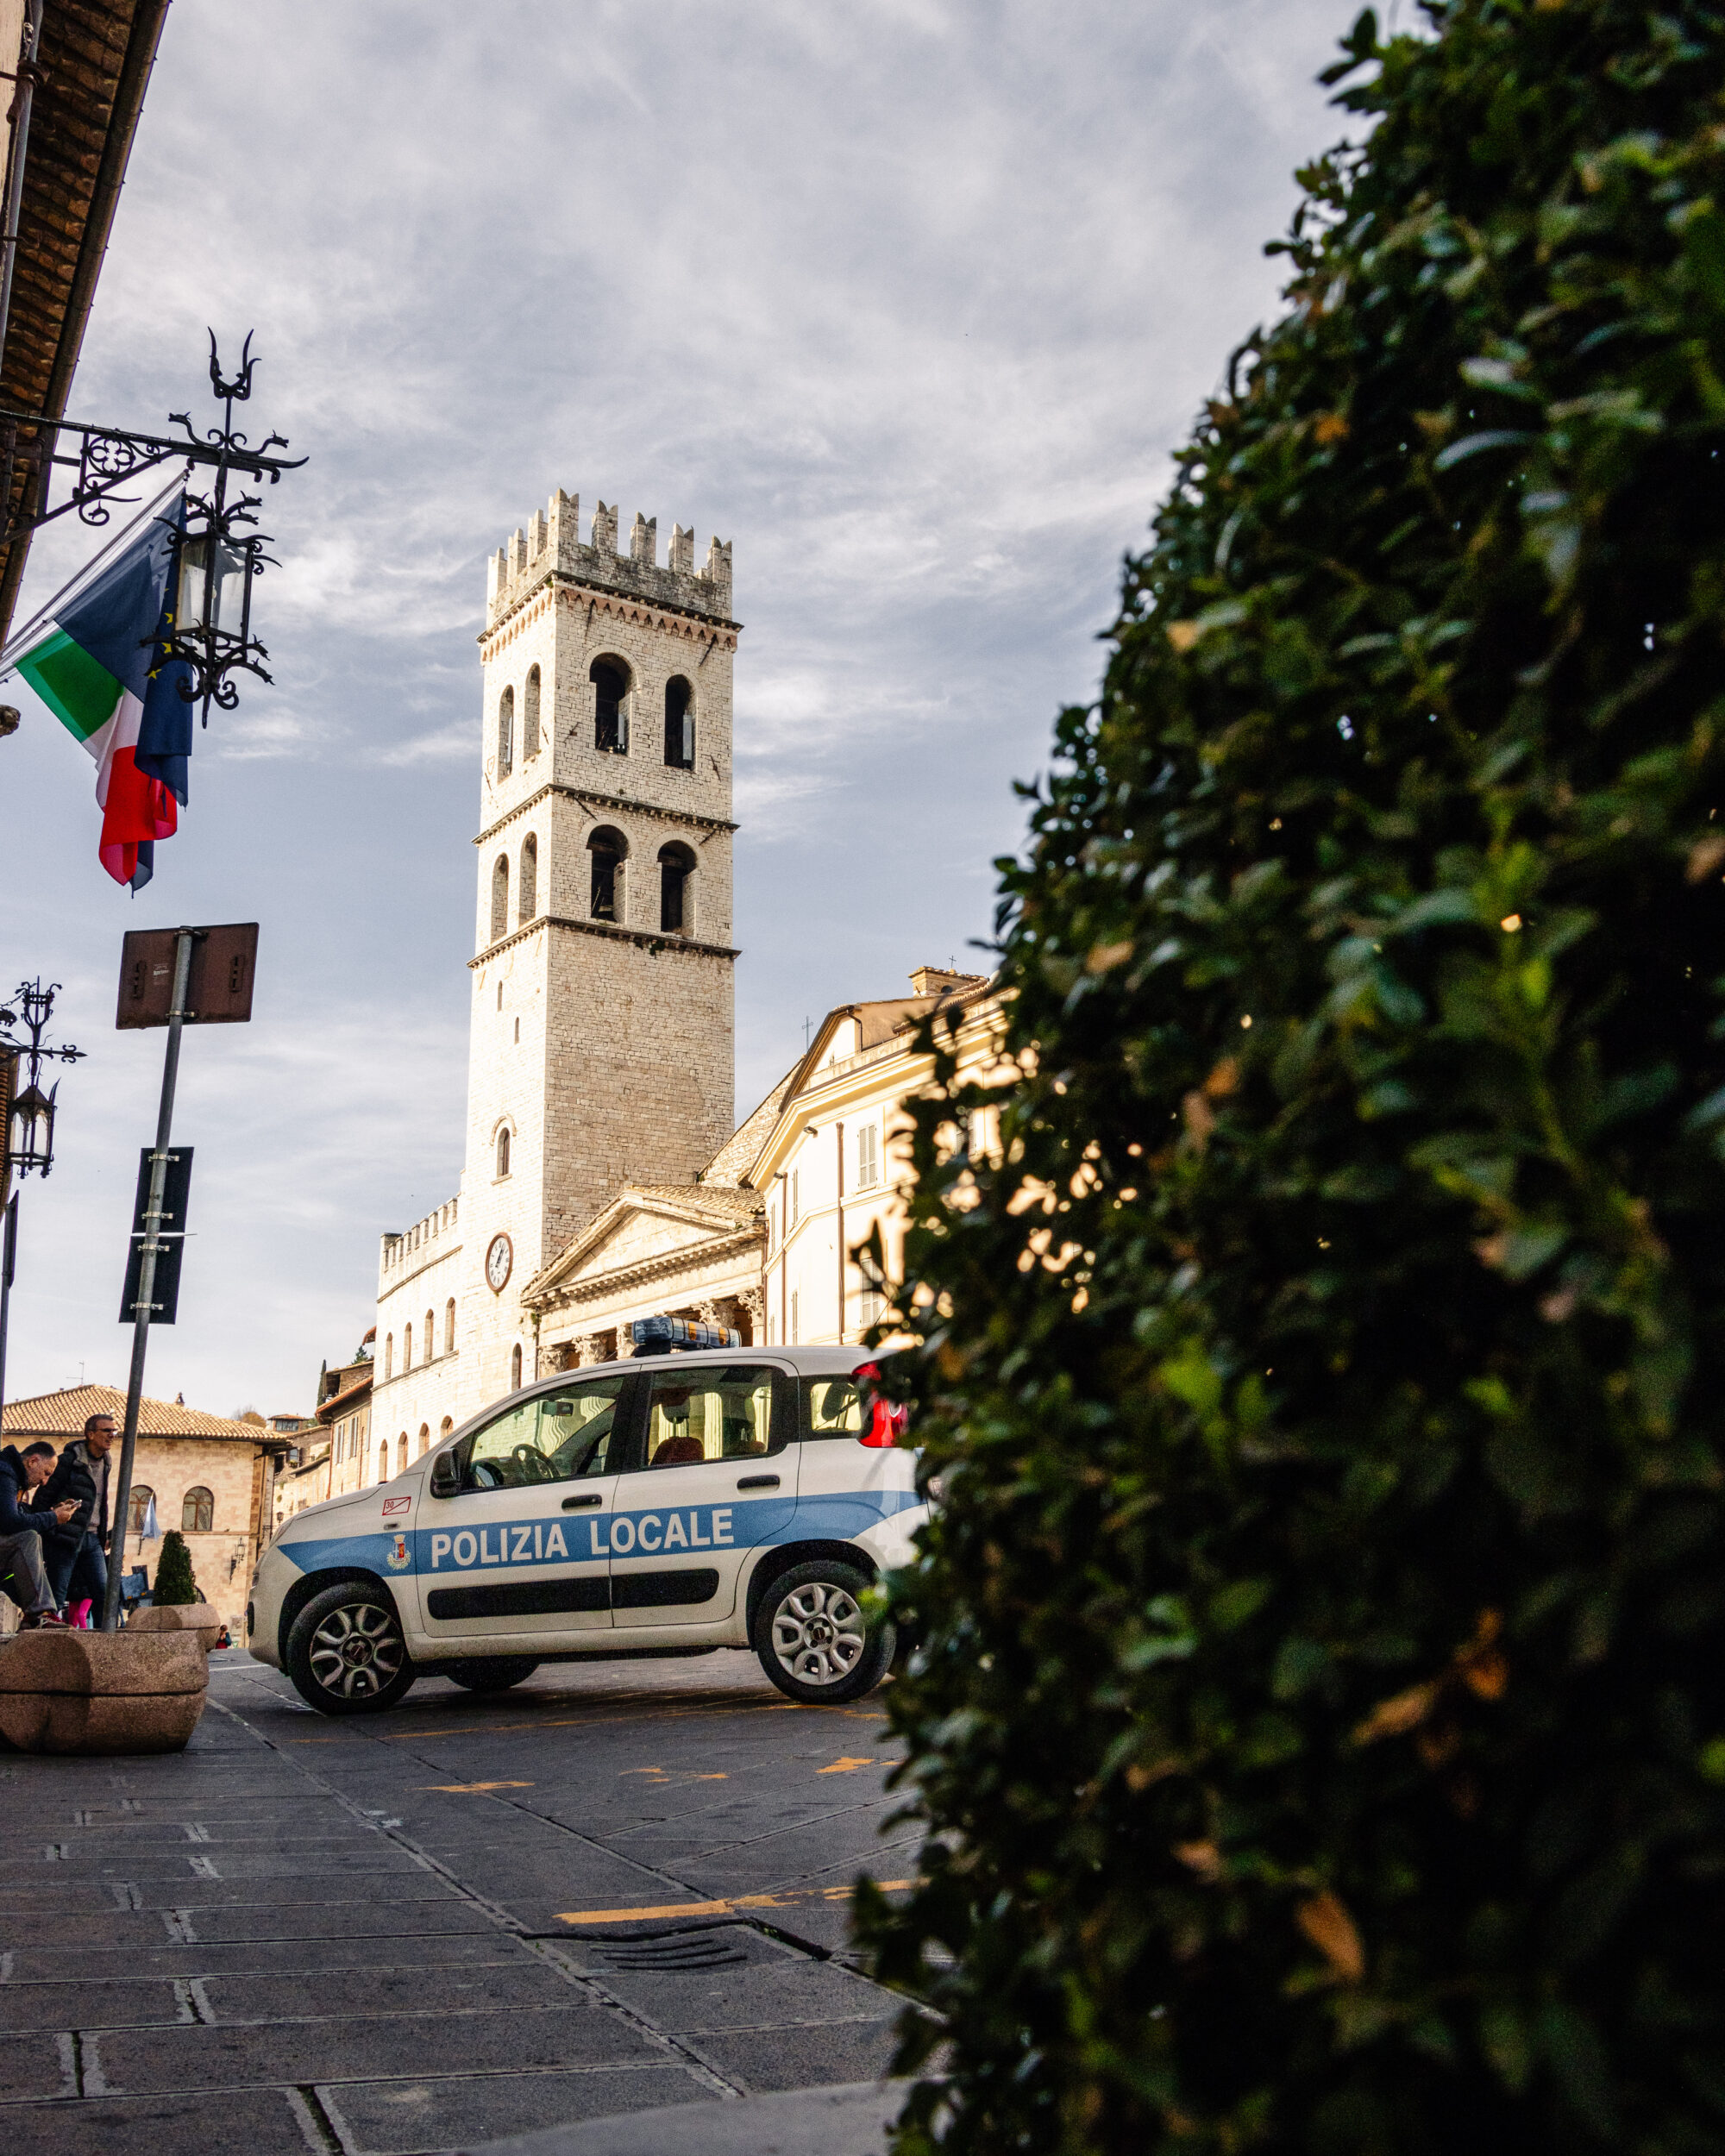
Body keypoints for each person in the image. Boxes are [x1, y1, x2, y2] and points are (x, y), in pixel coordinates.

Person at [39, 1413, 116, 1621]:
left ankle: (104, 1643)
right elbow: (42, 1498)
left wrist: (102, 1535)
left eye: (114, 1431)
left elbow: (100, 1503)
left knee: (104, 1592)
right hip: (66, 1538)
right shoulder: (68, 1462)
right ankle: (47, 1643)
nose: (112, 1435)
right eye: (106, 1431)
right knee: (56, 1594)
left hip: (93, 1539)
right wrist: (52, 1530)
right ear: (90, 1434)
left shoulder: (106, 1462)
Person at [0, 1438, 72, 1628]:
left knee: (23, 1554)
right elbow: (10, 1522)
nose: (44, 1481)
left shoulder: (12, 1476)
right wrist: (53, 1518)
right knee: (28, 1539)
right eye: (45, 1473)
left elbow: (15, 1515)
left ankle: (35, 1616)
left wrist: (50, 1513)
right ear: (32, 1461)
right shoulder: (5, 1473)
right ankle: (39, 1614)